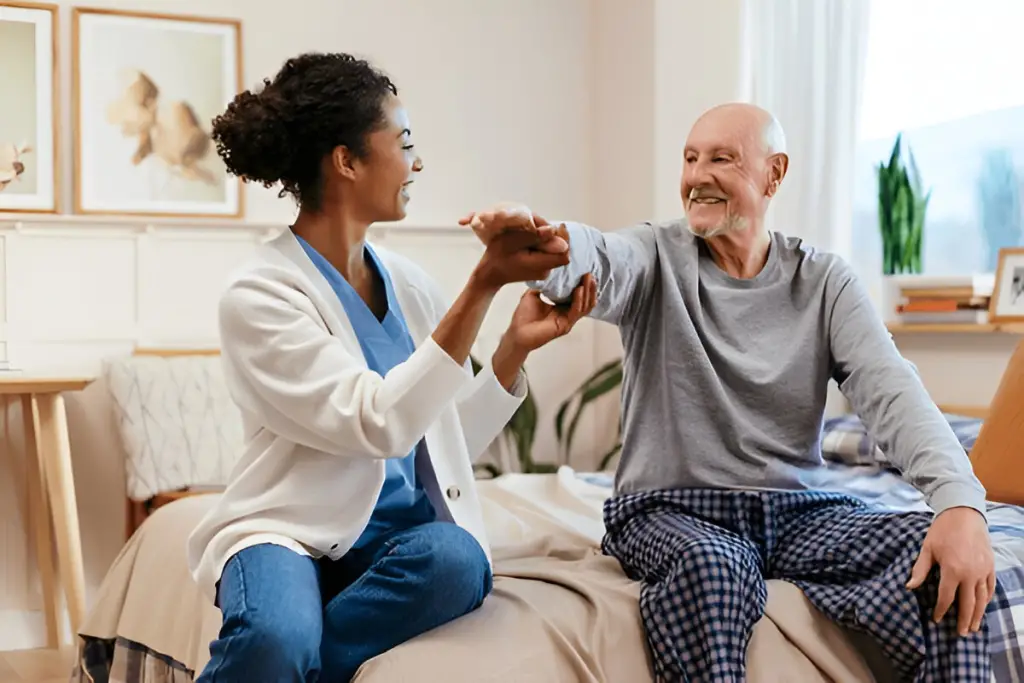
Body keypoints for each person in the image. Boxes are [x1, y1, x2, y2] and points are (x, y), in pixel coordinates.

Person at [461, 103, 1000, 682]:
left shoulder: (824, 282)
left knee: (937, 557)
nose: (697, 176)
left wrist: (959, 502)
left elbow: (891, 391)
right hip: (668, 509)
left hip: (797, 515)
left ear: (774, 174)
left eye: (721, 159)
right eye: (690, 159)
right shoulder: (655, 256)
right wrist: (545, 245)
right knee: (714, 566)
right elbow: (600, 257)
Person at [185, 52, 597, 683]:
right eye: (404, 144)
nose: (417, 163)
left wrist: (513, 349)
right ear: (346, 161)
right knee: (275, 637)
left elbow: (439, 438)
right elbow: (378, 423)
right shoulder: (260, 294)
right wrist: (482, 285)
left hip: (393, 542)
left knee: (457, 560)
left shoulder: (410, 285)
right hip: (289, 532)